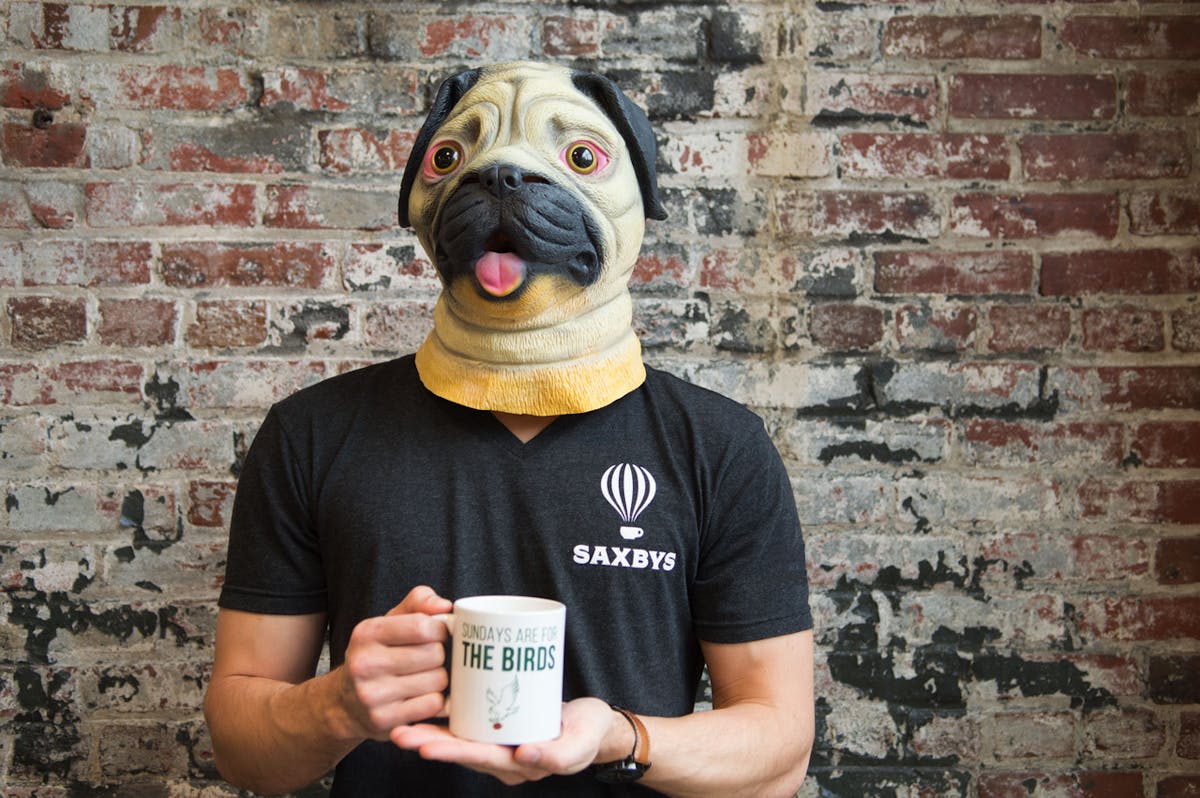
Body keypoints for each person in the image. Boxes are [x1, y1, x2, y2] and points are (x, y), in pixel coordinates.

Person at [203, 61, 814, 797]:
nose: (503, 182)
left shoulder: (719, 448)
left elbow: (779, 754)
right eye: (455, 160)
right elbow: (242, 751)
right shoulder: (312, 435)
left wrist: (620, 736)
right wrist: (338, 706)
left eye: (580, 158)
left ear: (639, 194)